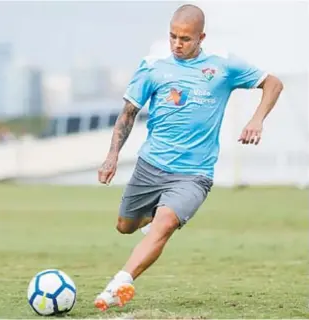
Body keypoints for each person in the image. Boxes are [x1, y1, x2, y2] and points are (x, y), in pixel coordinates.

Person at [94, 4, 283, 311]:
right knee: (124, 226)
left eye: (185, 38)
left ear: (201, 37)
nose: (177, 44)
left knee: (165, 224)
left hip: (194, 174)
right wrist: (111, 157)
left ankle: (119, 283)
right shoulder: (153, 66)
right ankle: (151, 220)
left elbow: (273, 83)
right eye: (173, 36)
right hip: (150, 166)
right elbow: (128, 113)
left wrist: (256, 119)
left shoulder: (224, 65)